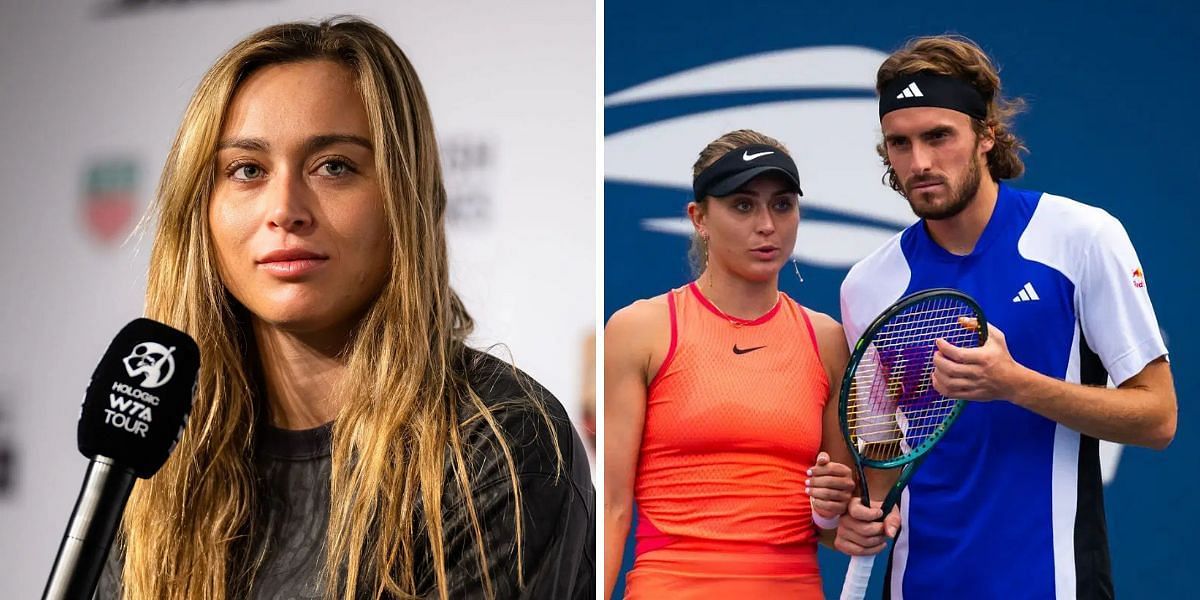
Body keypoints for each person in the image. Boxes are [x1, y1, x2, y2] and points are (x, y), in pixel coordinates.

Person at [94, 17, 593, 600]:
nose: (285, 209)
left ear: (403, 198)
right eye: (247, 170)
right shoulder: (160, 457)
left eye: (334, 166)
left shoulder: (498, 440)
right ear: (200, 209)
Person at [836, 35, 1177, 599]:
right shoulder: (868, 286)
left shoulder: (1082, 238)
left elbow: (1157, 417)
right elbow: (882, 468)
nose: (919, 162)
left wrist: (1013, 384)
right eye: (900, 143)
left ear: (986, 134)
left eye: (938, 136)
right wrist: (854, 513)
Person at [604, 129, 857, 599]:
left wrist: (834, 508)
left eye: (782, 205)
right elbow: (614, 508)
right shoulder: (639, 330)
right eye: (743, 205)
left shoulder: (828, 341)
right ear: (699, 218)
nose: (767, 224)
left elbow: (832, 527)